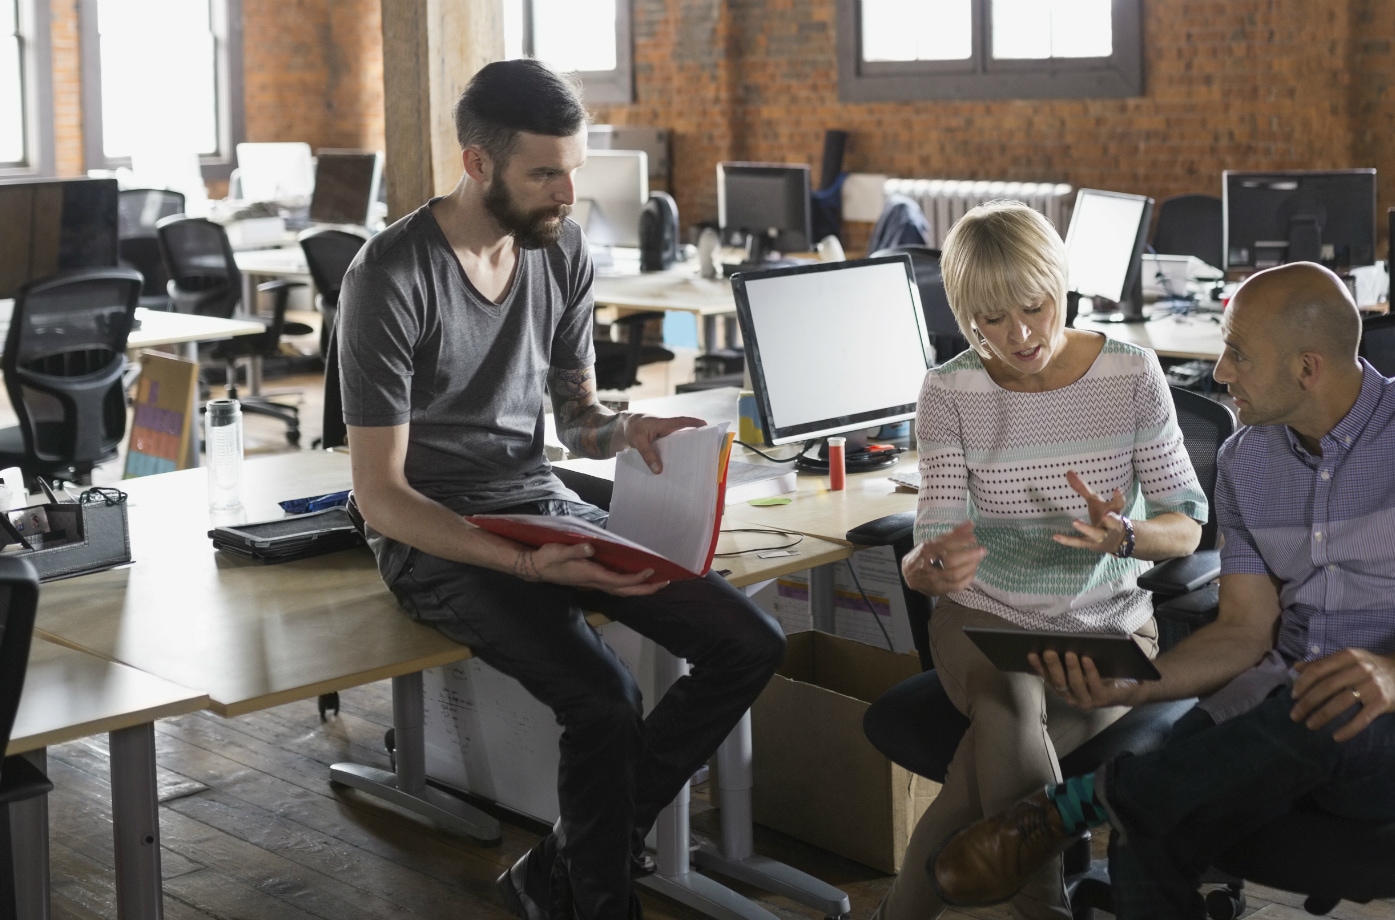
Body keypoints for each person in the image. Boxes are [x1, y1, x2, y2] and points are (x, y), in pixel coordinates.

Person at [925, 262, 1395, 920]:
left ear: (1307, 367)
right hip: (1276, 707)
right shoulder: (1245, 460)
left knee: (1326, 710)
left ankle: (1082, 802)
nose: (1221, 371)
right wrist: (1132, 686)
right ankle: (1113, 799)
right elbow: (1244, 632)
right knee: (1149, 835)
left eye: (1238, 354)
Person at [337, 60, 785, 920]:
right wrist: (531, 569)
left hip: (536, 502)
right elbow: (381, 497)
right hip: (434, 538)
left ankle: (565, 865)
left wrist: (624, 429)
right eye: (545, 173)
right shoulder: (389, 275)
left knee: (750, 642)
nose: (567, 192)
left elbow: (575, 417)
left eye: (574, 168)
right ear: (477, 164)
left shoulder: (560, 247)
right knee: (607, 701)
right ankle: (596, 897)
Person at [881, 201, 1209, 920]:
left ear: (1062, 284)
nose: (1021, 334)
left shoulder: (1131, 373)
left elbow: (1186, 526)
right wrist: (925, 569)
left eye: (1035, 306)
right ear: (965, 316)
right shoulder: (949, 390)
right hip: (983, 619)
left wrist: (1126, 534)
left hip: (1108, 628)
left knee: (980, 771)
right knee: (1011, 697)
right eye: (991, 320)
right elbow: (932, 534)